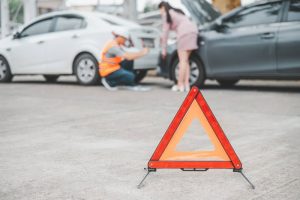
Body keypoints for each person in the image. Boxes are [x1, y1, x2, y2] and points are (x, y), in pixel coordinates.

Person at [159, 1, 198, 92]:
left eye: (160, 9)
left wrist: (163, 49)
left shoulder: (166, 14)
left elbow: (165, 33)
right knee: (186, 61)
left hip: (184, 34)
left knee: (182, 61)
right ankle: (186, 85)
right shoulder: (177, 12)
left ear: (163, 8)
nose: (160, 12)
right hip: (193, 32)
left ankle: (180, 84)